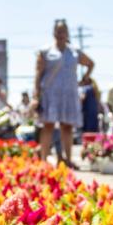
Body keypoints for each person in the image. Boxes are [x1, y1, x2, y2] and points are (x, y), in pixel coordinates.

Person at [35, 19, 94, 166]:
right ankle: (43, 159)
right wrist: (36, 95)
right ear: (54, 33)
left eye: (63, 31)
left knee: (67, 126)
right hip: (50, 94)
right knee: (48, 125)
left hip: (69, 94)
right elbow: (38, 73)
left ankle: (68, 159)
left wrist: (85, 78)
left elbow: (90, 63)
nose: (61, 34)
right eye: (58, 31)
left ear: (67, 33)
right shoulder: (45, 51)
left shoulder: (74, 52)